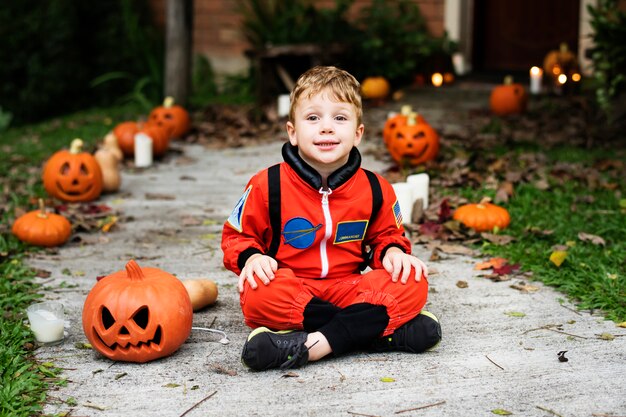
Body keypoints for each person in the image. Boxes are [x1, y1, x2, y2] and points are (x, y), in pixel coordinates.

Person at [221, 66, 441, 371]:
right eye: (313, 118)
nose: (327, 128)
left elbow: (387, 236)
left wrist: (393, 252)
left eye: (340, 118)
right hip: (293, 285)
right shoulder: (266, 185)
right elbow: (237, 237)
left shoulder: (376, 188)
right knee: (258, 292)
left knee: (413, 282)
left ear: (358, 133)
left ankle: (310, 347)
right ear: (293, 132)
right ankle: (374, 333)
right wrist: (252, 259)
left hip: (351, 286)